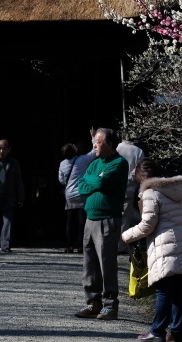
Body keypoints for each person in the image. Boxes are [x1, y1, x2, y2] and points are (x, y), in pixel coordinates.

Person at [122, 158, 182, 342]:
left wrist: (126, 235)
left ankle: (157, 332)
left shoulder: (151, 193)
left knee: (164, 292)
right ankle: (176, 333)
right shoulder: (177, 190)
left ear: (142, 177)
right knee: (179, 293)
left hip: (166, 246)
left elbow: (147, 225)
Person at [74, 127, 128, 321]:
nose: (94, 145)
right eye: (94, 141)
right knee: (89, 265)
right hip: (91, 217)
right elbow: (82, 185)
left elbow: (101, 185)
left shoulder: (119, 163)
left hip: (108, 219)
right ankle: (92, 302)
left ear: (110, 144)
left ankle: (110, 305)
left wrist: (95, 181)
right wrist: (95, 180)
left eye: (98, 142)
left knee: (107, 264)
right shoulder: (95, 163)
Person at [0, 138, 24, 253]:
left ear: (9, 150)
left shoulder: (14, 163)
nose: (2, 151)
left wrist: (20, 197)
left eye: (4, 149)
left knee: (7, 222)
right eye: (0, 148)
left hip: (8, 197)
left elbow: (18, 181)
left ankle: (5, 246)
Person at [59, 142, 95, 254]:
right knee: (81, 221)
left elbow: (61, 180)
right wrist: (94, 138)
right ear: (74, 151)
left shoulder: (62, 164)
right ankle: (80, 246)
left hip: (69, 195)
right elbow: (93, 153)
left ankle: (69, 245)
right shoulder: (81, 160)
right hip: (81, 193)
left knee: (70, 220)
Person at [116, 132, 145, 251]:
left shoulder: (116, 148)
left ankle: (111, 242)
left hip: (114, 186)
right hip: (129, 188)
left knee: (113, 216)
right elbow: (138, 170)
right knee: (125, 218)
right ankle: (121, 245)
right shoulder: (138, 151)